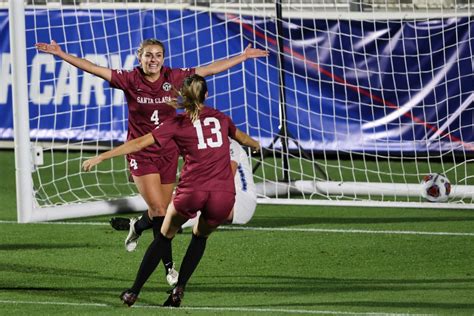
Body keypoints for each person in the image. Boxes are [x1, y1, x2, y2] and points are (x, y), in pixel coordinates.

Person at [35, 39, 268, 285]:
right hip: (140, 153)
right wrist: (62, 54)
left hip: (168, 152)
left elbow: (209, 69)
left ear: (163, 59)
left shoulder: (175, 77)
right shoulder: (129, 79)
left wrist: (242, 57)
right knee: (159, 210)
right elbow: (92, 67)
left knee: (165, 211)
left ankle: (137, 226)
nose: (153, 59)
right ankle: (169, 267)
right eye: (148, 55)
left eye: (158, 55)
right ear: (139, 57)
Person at [82, 74, 260, 307]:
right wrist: (256, 145)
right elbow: (241, 138)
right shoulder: (221, 118)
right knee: (200, 237)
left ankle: (133, 291)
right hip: (222, 195)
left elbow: (138, 143)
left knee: (164, 236)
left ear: (182, 97)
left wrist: (103, 156)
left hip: (193, 191)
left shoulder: (176, 123)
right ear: (207, 95)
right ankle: (179, 290)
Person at [110, 138, 257, 233]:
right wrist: (146, 174)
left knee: (190, 198)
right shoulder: (203, 147)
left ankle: (148, 225)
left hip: (241, 201)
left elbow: (224, 179)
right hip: (218, 195)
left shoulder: (231, 145)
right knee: (172, 198)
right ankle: (139, 226)